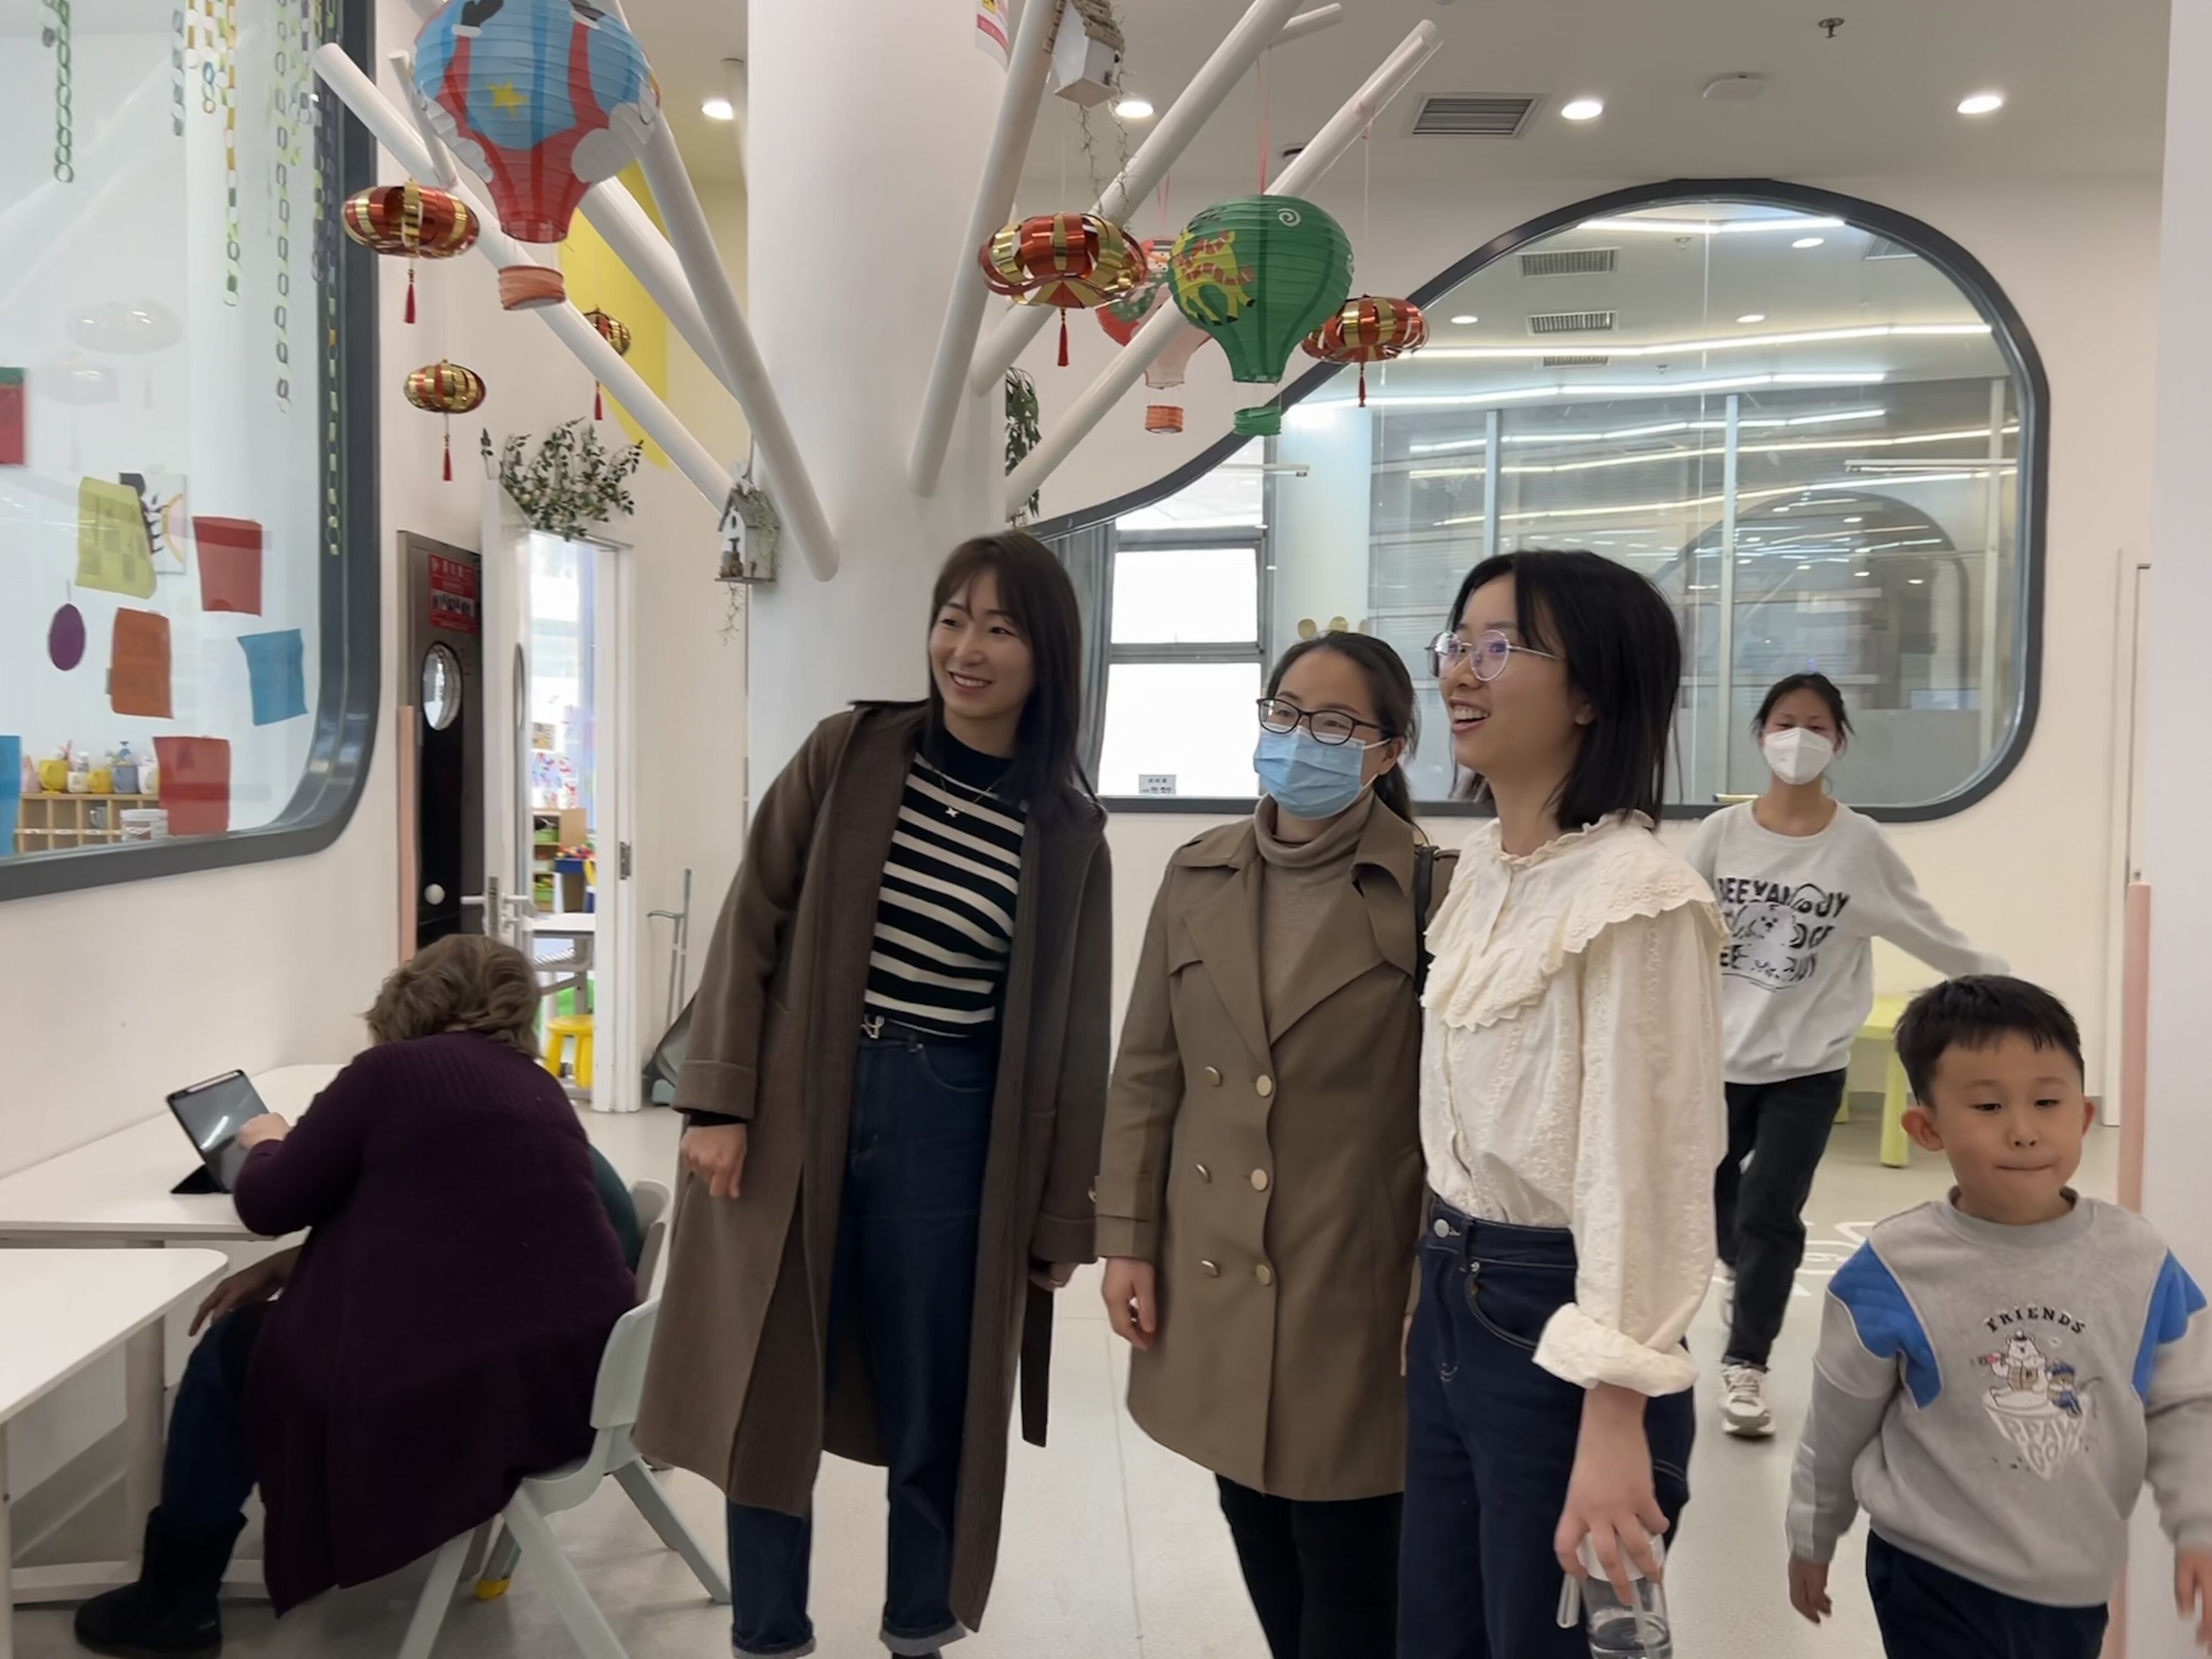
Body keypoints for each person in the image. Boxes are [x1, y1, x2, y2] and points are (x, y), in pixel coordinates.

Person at [634, 532, 1113, 1659]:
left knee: (934, 1390)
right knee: (770, 1379)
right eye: (953, 618)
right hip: (802, 1100)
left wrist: (1061, 1214)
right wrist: (719, 1099)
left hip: (952, 1118)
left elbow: (1072, 1042)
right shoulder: (849, 752)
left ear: (1048, 655)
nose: (966, 648)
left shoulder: (1066, 831)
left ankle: (916, 1627)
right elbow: (752, 916)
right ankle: (768, 1634)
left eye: (1000, 627)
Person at [73, 935, 638, 1658]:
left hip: (484, 1388)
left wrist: (267, 1140)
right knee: (263, 1337)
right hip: (578, 1380)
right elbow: (441, 1219)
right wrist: (293, 1266)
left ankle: (175, 1602)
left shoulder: (389, 1073)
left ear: (410, 997)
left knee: (231, 1353)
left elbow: (269, 1203)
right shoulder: (535, 1083)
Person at [1098, 632, 1453, 1659]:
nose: (1301, 739)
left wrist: (1429, 1283)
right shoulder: (1197, 871)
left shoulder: (1432, 891)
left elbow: (1459, 1117)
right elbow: (1147, 1069)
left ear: (1388, 751)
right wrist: (1126, 1237)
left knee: (1350, 1556)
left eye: (1335, 724)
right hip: (1213, 1263)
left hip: (1352, 1272)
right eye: (1286, 713)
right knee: (1253, 1517)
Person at [1400, 549, 1725, 1659]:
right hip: (1455, 1285)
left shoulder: (1640, 897)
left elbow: (1650, 1171)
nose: (1460, 672)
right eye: (1455, 644)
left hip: (1563, 1314)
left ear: (1590, 691)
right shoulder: (1486, 871)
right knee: (1441, 1628)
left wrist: (1616, 1408)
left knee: (1552, 1640)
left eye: (1499, 647)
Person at [1785, 975, 2212, 1659]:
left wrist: (2200, 1527)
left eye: (2047, 1101)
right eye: (1987, 1106)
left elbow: (2186, 1405)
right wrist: (1813, 1535)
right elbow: (1836, 1422)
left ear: (2082, 1115)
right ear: (1927, 1129)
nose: (2023, 1131)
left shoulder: (2140, 1260)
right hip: (1930, 1570)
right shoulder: (1893, 1268)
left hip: (2075, 1583)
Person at [1684, 672, 2005, 1440]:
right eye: (1785, 722)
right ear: (1761, 734)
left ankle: (1747, 1363)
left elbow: (1922, 925)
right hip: (1714, 1059)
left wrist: (2003, 984)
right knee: (1710, 1200)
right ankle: (1743, 1273)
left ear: (1839, 742)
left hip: (1808, 1063)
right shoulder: (1721, 836)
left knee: (1772, 1212)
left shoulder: (1857, 845)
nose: (1799, 738)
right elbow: (1673, 934)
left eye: (1817, 726)